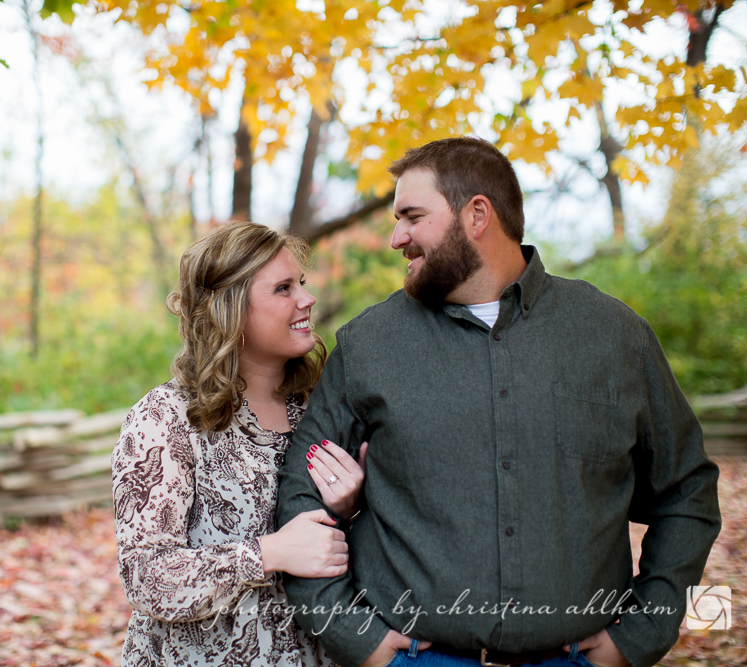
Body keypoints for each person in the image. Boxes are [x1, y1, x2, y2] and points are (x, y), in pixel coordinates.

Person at [275, 137, 722, 667]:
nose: (397, 237)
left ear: (477, 215)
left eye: (413, 216)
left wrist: (642, 637)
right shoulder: (367, 344)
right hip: (417, 659)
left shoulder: (614, 335)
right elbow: (300, 501)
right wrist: (359, 643)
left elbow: (688, 491)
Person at [112, 220, 368, 666]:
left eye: (301, 284)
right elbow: (147, 578)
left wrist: (348, 509)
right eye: (283, 288)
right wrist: (269, 553)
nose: (307, 299)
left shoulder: (319, 409)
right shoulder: (166, 419)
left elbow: (342, 554)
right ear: (231, 309)